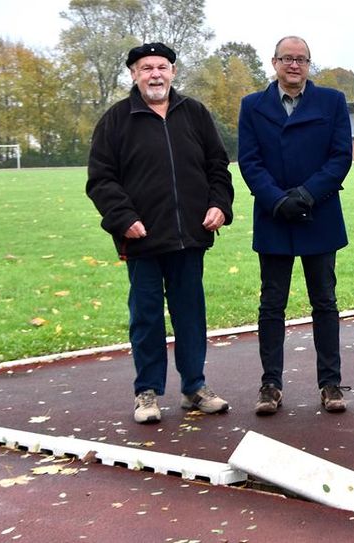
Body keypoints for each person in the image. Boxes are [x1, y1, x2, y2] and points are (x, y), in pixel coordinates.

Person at [86, 42, 234, 424]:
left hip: (190, 236)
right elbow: (101, 180)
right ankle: (146, 392)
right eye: (147, 67)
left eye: (162, 67)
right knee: (146, 316)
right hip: (142, 239)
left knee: (190, 314)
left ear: (172, 72)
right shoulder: (117, 120)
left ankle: (194, 387)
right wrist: (123, 218)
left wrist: (219, 204)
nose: (155, 74)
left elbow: (218, 165)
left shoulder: (195, 114)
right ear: (134, 74)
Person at [237, 36, 352, 415]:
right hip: (274, 218)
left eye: (301, 59)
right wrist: (277, 200)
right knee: (272, 304)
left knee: (325, 301)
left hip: (318, 214)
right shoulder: (253, 106)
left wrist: (306, 195)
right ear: (274, 62)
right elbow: (249, 161)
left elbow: (339, 157)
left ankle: (330, 383)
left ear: (308, 64)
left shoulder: (331, 102)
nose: (294, 65)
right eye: (287, 58)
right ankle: (270, 385)